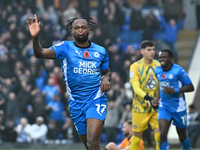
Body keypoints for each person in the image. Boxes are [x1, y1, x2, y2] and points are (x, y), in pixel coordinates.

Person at [27, 14, 111, 150]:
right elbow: (40, 53)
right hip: (75, 103)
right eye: (76, 27)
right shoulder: (65, 47)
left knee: (92, 141)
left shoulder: (100, 51)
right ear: (71, 31)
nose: (80, 30)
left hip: (96, 99)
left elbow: (107, 71)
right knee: (89, 146)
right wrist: (35, 37)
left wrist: (106, 78)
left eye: (83, 27)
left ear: (89, 30)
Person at [153, 49, 195, 150]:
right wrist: (157, 98)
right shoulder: (157, 70)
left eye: (164, 57)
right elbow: (161, 86)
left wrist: (174, 90)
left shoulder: (179, 71)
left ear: (171, 58)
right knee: (162, 134)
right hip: (164, 107)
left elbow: (191, 87)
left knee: (182, 136)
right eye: (160, 57)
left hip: (179, 108)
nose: (161, 59)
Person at [129, 40, 160, 150]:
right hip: (140, 107)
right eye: (149, 50)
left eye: (153, 49)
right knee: (137, 137)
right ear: (142, 51)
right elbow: (136, 88)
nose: (152, 52)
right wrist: (149, 99)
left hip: (156, 107)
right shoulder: (135, 67)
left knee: (159, 136)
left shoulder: (159, 65)